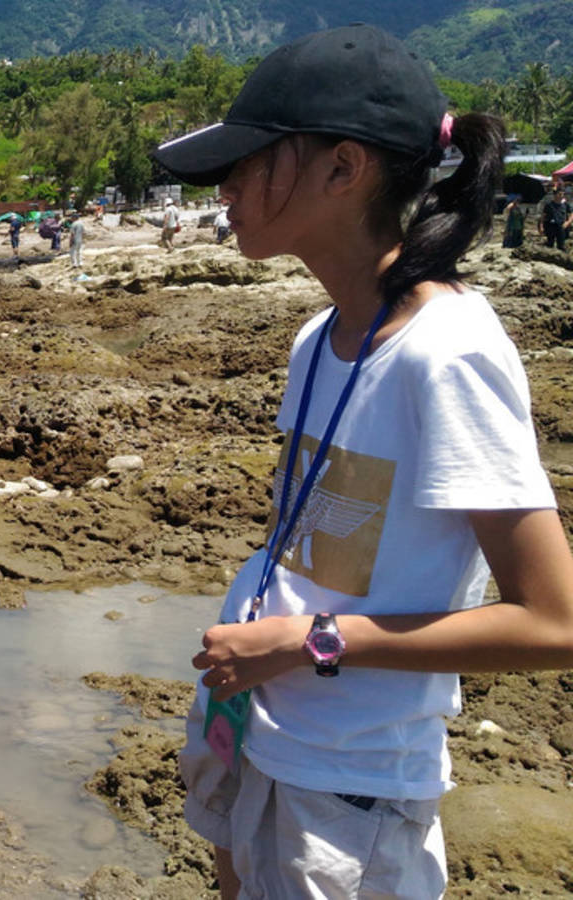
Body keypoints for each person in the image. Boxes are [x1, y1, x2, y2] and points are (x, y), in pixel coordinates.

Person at [152, 24, 573, 899]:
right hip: (257, 731)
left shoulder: (447, 350)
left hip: (352, 790)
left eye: (251, 161)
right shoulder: (320, 337)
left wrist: (307, 644)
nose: (225, 189)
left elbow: (553, 622)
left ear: (344, 169)